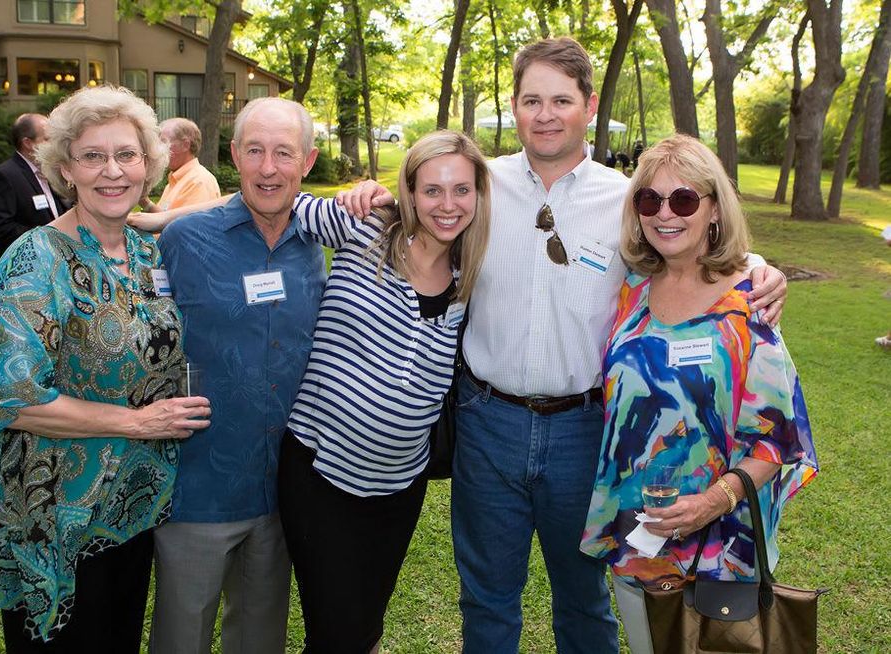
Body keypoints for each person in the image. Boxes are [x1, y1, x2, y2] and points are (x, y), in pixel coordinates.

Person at [337, 36, 788, 654]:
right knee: (487, 598)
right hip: (486, 421)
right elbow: (418, 204)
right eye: (530, 100)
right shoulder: (478, 187)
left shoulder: (627, 198)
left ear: (588, 105)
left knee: (583, 599)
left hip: (588, 427)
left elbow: (686, 242)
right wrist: (365, 194)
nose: (544, 114)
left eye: (560, 100)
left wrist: (757, 266)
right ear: (515, 107)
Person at [0, 85, 211, 652]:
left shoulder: (148, 249)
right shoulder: (37, 257)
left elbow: (242, 205)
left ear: (150, 165)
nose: (112, 171)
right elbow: (14, 397)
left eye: (127, 155)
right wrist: (136, 423)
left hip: (132, 505)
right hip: (55, 512)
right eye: (93, 156)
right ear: (65, 169)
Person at [579, 134, 818, 653]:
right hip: (638, 533)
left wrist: (711, 503)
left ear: (713, 210)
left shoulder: (748, 303)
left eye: (683, 199)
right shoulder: (633, 292)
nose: (665, 213)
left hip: (720, 542)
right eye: (650, 200)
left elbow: (777, 442)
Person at [279, 129, 490, 654]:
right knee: (338, 633)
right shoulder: (367, 228)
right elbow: (272, 198)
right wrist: (151, 218)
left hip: (399, 485)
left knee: (364, 625)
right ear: (410, 192)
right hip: (320, 471)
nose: (447, 205)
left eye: (461, 190)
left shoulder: (471, 271)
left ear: (479, 196)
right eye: (432, 190)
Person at [149, 97, 326, 654]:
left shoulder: (319, 245)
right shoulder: (184, 240)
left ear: (309, 161)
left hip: (283, 489)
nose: (268, 168)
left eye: (283, 153)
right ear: (234, 156)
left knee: (260, 636)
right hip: (199, 483)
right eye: (255, 151)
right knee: (183, 635)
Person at [0, 113, 68, 263]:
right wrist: (46, 235)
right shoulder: (5, 176)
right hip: (23, 271)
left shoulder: (48, 172)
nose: (54, 145)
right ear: (28, 143)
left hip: (53, 266)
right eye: (48, 139)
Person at [140, 117, 220, 213]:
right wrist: (143, 200)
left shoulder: (199, 181)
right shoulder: (176, 180)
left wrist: (143, 203)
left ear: (185, 145)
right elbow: (163, 219)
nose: (159, 149)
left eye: (164, 142)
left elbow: (188, 226)